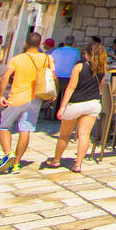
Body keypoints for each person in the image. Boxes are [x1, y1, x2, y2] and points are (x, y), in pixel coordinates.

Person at [0, 33, 53, 174]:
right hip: (35, 99)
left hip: (16, 97)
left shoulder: (18, 59)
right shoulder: (46, 58)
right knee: (25, 130)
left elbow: (5, 77)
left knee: (4, 126)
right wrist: (53, 93)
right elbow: (53, 77)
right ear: (40, 44)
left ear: (25, 44)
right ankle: (16, 163)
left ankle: (8, 154)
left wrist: (0, 95)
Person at [46, 41, 104, 173]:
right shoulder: (102, 69)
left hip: (76, 103)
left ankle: (56, 160)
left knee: (64, 135)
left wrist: (62, 106)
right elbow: (99, 86)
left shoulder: (79, 67)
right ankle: (78, 164)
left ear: (88, 55)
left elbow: (71, 87)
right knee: (84, 135)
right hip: (93, 103)